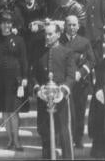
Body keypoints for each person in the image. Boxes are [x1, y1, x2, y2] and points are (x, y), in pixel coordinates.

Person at [32, 21, 75, 160]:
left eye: (50, 34)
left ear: (58, 34)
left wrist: (62, 90)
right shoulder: (39, 52)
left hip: (61, 99)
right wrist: (38, 89)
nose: (47, 37)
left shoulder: (67, 52)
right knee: (46, 133)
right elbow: (33, 75)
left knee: (64, 133)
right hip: (44, 99)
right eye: (45, 34)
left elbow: (71, 76)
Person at [0, 11, 29, 151]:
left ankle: (17, 140)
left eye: (9, 22)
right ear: (0, 25)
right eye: (4, 22)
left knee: (14, 111)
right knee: (5, 111)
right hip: (0, 79)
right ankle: (10, 139)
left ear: (12, 24)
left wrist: (24, 77)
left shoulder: (19, 40)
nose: (6, 25)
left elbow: (24, 59)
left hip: (15, 79)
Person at [60, 14, 95, 149]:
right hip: (65, 83)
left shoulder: (84, 42)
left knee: (79, 112)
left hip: (81, 84)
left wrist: (81, 72)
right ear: (65, 26)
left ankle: (78, 138)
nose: (72, 27)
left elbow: (92, 60)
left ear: (78, 26)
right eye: (69, 24)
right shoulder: (60, 41)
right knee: (65, 112)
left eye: (74, 25)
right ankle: (64, 138)